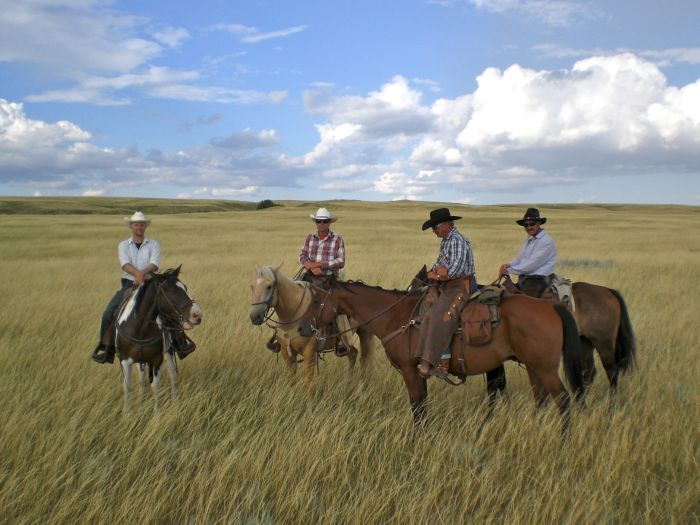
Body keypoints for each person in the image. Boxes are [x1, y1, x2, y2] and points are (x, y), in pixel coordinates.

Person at [91, 211, 161, 364]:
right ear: (131, 226)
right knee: (108, 313)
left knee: (170, 309)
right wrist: (137, 275)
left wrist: (141, 275)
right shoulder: (123, 245)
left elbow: (154, 265)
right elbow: (125, 264)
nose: (139, 227)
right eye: (136, 224)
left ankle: (178, 342)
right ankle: (107, 349)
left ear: (145, 227)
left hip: (150, 284)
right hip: (130, 284)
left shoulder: (154, 244)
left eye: (142, 224)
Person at [416, 208, 476, 378]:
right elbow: (438, 264)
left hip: (460, 287)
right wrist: (437, 272)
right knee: (426, 312)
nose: (434, 231)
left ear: (447, 225)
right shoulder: (446, 241)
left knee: (441, 317)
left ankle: (442, 363)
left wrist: (438, 273)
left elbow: (453, 271)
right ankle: (424, 356)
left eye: (435, 227)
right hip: (449, 285)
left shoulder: (457, 241)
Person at [299, 207, 351, 356]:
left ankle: (342, 338)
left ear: (329, 223)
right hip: (309, 276)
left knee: (337, 305)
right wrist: (310, 266)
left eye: (324, 221)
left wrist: (321, 265)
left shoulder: (337, 239)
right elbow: (302, 255)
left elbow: (341, 261)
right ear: (315, 222)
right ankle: (280, 334)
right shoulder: (309, 237)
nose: (321, 224)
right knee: (287, 292)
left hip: (329, 279)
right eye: (319, 221)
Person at [498, 207, 557, 297]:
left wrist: (508, 270)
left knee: (519, 305)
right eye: (526, 225)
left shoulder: (546, 241)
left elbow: (531, 265)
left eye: (531, 224)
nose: (529, 227)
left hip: (537, 281)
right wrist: (508, 265)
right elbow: (520, 258)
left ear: (539, 223)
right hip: (525, 279)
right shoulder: (530, 239)